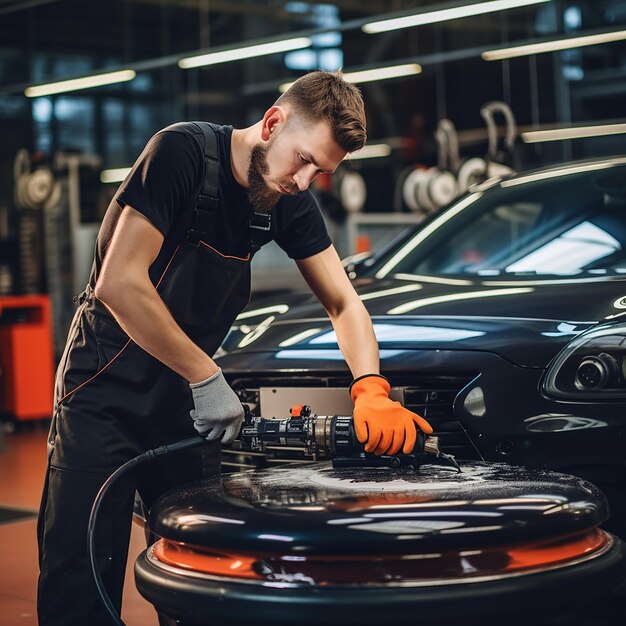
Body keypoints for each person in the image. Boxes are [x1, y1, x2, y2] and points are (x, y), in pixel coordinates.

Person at [37, 70, 432, 625]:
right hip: (103, 390)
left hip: (184, 406)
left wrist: (369, 387)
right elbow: (120, 283)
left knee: (202, 572)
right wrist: (205, 375)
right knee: (79, 577)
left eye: (323, 170)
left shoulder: (288, 198)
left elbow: (345, 303)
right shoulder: (180, 154)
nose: (307, 180)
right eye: (303, 159)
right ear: (272, 123)